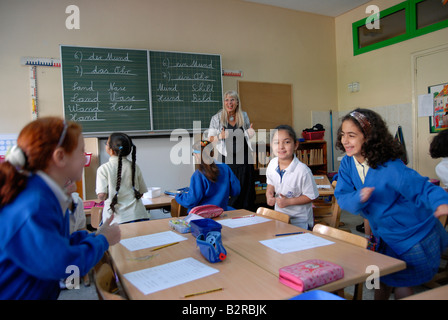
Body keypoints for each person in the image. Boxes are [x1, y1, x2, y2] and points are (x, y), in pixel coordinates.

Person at [0, 117, 120, 300]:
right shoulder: (34, 204)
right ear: (60, 157)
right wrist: (102, 240)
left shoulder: (43, 193)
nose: (85, 156)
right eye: (81, 151)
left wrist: (95, 235)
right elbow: (64, 264)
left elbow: (58, 244)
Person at [334, 108, 448, 299]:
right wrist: (358, 197)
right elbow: (343, 195)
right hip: (383, 234)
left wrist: (441, 203)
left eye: (352, 135)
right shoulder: (347, 163)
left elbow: (422, 187)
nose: (345, 140)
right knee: (381, 278)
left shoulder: (391, 165)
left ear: (369, 137)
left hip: (411, 235)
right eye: (343, 135)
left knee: (401, 282)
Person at [207, 90, 255, 210]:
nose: (229, 103)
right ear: (224, 102)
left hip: (244, 159)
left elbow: (247, 134)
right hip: (226, 160)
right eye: (227, 100)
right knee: (229, 193)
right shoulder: (216, 118)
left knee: (245, 193)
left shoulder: (243, 116)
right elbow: (210, 139)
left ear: (237, 102)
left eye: (232, 100)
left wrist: (250, 133)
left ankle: (247, 219)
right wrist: (220, 136)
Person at [266, 125, 319, 229]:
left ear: (295, 145)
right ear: (272, 145)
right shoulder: (272, 164)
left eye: (286, 142)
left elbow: (311, 196)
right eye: (276, 142)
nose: (281, 146)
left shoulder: (303, 171)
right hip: (280, 218)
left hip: (300, 222)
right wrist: (269, 194)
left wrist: (288, 202)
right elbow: (271, 183)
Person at [96, 132, 148, 224]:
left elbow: (102, 196)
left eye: (106, 144)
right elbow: (141, 192)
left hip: (116, 219)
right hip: (138, 215)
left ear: (111, 150)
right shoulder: (134, 166)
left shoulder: (103, 169)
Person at [175, 140, 241, 211]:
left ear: (197, 155)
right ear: (212, 153)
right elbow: (236, 190)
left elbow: (190, 201)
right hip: (222, 212)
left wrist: (178, 197)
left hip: (202, 216)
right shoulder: (226, 168)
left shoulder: (198, 175)